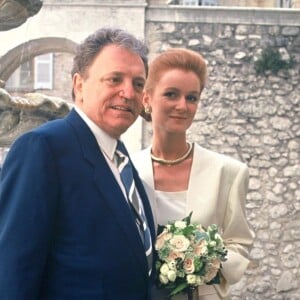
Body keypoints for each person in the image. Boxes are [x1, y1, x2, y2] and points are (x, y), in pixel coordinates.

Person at [0, 27, 155, 300]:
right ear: (79, 85)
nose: (128, 93)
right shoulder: (43, 149)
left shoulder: (120, 157)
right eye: (114, 79)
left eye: (138, 83)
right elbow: (13, 271)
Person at [131, 48, 254, 300]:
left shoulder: (228, 172)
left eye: (192, 97)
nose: (182, 106)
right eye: (171, 94)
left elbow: (239, 244)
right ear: (147, 98)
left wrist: (205, 262)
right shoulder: (126, 171)